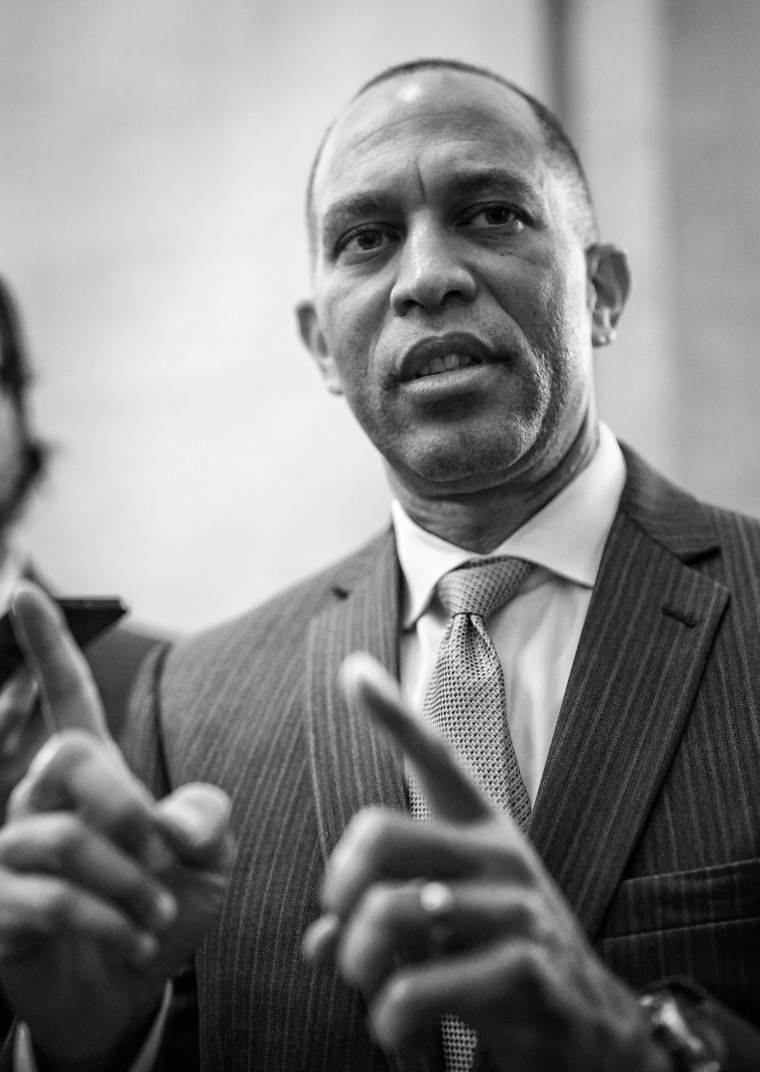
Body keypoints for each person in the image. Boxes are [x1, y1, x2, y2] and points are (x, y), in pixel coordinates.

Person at [1, 57, 760, 1072]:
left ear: (602, 292)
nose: (425, 277)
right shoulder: (192, 705)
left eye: (491, 213)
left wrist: (640, 1049)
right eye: (367, 239)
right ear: (321, 345)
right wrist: (87, 1044)